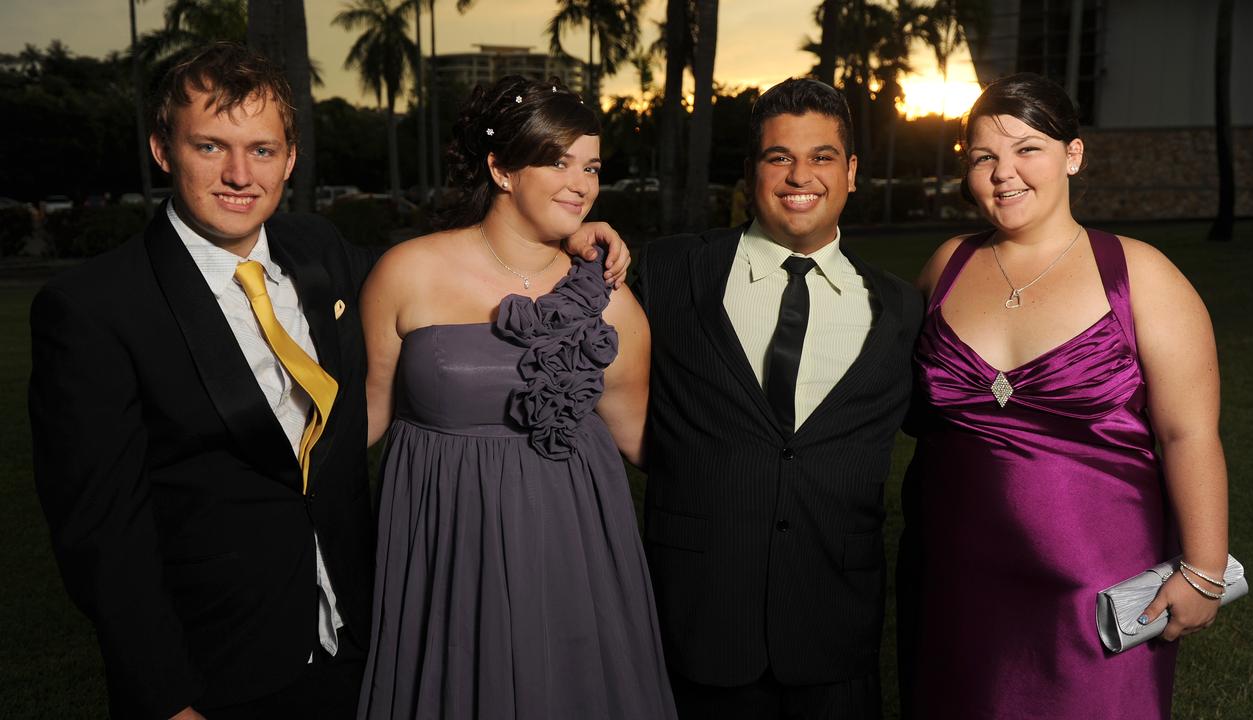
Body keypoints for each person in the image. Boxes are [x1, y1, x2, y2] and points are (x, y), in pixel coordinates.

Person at [29, 44, 629, 720]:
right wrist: (167, 698)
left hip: (362, 644)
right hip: (216, 669)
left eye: (261, 150)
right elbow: (103, 538)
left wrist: (563, 235)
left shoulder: (319, 253)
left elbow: (453, 277)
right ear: (164, 150)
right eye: (209, 146)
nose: (238, 174)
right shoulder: (94, 306)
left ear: (289, 159)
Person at [898, 72, 1228, 719]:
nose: (1003, 173)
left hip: (1096, 593)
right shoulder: (946, 266)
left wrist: (1205, 569)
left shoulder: (1141, 276)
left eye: (1027, 149)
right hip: (953, 584)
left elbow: (1188, 433)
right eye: (983, 157)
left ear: (1072, 155)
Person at [357, 75, 676, 719]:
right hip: (445, 538)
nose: (582, 182)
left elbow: (641, 434)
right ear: (501, 169)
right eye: (558, 162)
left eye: (590, 166)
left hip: (574, 541)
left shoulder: (608, 294)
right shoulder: (407, 271)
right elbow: (364, 416)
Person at [634, 78, 923, 719]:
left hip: (835, 621)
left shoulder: (901, 309)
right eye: (778, 157)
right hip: (701, 612)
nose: (801, 175)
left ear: (850, 172)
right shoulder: (667, 272)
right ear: (751, 172)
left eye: (821, 157)